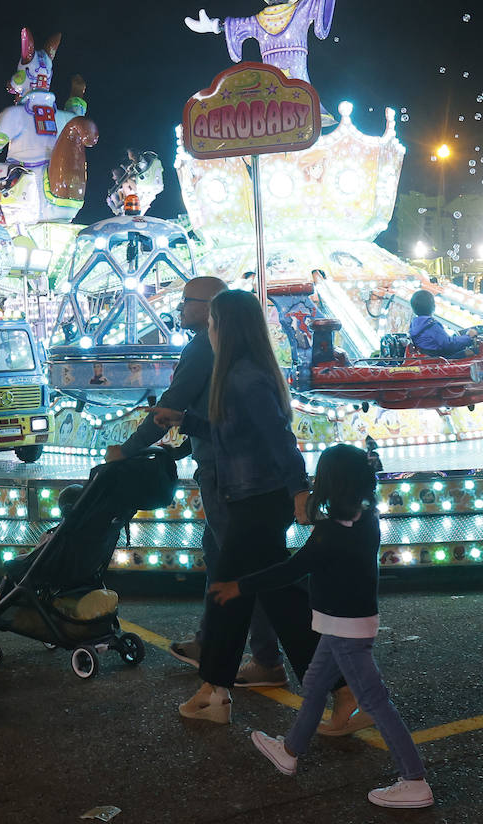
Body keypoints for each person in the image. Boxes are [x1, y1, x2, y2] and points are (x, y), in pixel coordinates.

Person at [152, 289, 355, 727]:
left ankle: (338, 691)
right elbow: (234, 435)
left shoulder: (244, 377)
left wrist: (299, 490)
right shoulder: (243, 375)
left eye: (212, 324)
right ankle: (218, 691)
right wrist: (186, 422)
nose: (208, 330)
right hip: (250, 499)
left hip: (258, 502)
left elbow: (280, 436)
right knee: (251, 596)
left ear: (225, 327)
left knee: (251, 596)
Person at [213, 443, 434, 809]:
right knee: (315, 685)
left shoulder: (330, 533)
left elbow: (290, 570)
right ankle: (289, 751)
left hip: (345, 632)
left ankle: (414, 780)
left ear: (331, 485)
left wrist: (239, 585)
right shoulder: (367, 518)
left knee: (376, 703)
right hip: (344, 625)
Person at [105, 275, 290, 688]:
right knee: (220, 555)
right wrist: (187, 442)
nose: (182, 307)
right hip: (231, 470)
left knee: (241, 566)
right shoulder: (234, 355)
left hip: (231, 478)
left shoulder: (207, 350)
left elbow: (172, 408)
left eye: (189, 301)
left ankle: (266, 659)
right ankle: (213, 642)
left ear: (212, 310)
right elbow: (226, 422)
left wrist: (127, 449)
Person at [407, 290, 477, 359]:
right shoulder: (430, 325)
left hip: (429, 357)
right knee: (474, 353)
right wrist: (468, 337)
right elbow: (449, 344)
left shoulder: (415, 324)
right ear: (433, 306)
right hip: (439, 359)